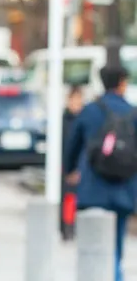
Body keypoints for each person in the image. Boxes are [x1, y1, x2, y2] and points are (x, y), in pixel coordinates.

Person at [65, 64, 137, 281]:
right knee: (117, 239)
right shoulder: (132, 112)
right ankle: (116, 280)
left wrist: (71, 170)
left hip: (93, 187)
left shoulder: (90, 111)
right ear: (122, 82)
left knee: (94, 241)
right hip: (124, 186)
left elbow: (73, 145)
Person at [60, 85, 84, 240]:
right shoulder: (64, 120)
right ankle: (67, 228)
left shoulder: (84, 120)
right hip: (67, 165)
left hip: (81, 165)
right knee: (69, 197)